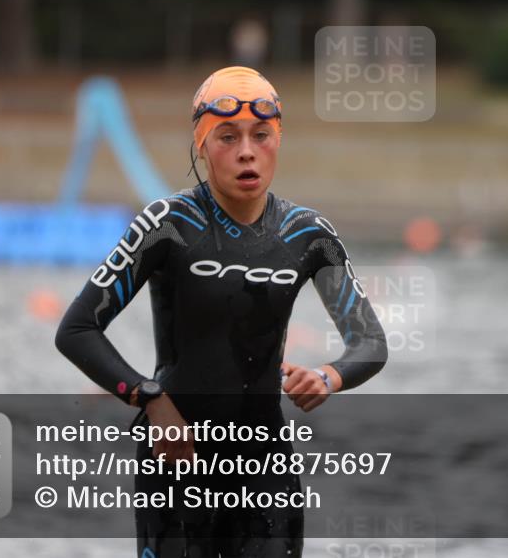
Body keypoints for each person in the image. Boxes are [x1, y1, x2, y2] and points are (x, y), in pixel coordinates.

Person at [55, 66, 388, 557]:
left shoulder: (306, 234)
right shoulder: (168, 225)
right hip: (177, 464)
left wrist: (327, 376)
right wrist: (149, 399)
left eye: (262, 135)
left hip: (265, 470)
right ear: (202, 147)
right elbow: (77, 329)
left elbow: (370, 342)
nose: (247, 151)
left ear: (279, 141)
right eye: (227, 136)